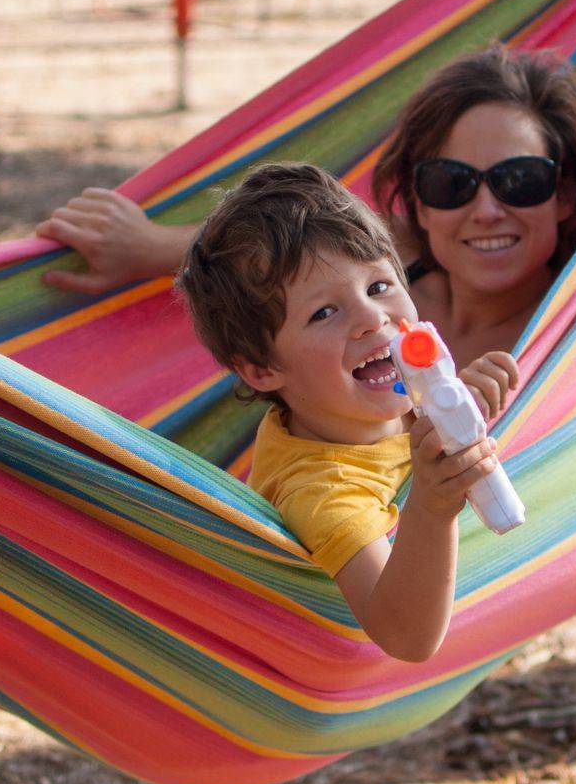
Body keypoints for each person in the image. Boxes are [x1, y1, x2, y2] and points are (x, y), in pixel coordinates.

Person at [36, 45, 576, 370]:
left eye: (520, 180)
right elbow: (281, 246)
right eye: (452, 183)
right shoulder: (391, 264)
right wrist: (141, 248)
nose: (487, 209)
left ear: (565, 195)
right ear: (418, 201)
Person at [176, 164, 517, 661]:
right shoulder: (322, 491)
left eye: (378, 287)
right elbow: (406, 637)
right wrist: (431, 506)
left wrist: (461, 404)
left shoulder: (360, 400)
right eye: (324, 312)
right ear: (263, 368)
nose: (371, 318)